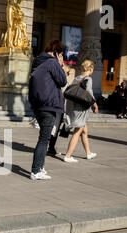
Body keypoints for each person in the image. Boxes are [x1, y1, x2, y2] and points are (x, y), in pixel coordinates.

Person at [28, 40, 67, 180]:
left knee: (44, 137)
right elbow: (63, 81)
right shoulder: (52, 62)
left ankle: (40, 166)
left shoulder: (37, 62)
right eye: (61, 54)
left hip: (38, 105)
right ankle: (35, 170)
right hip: (49, 105)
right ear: (56, 53)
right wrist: (60, 65)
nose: (62, 57)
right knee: (44, 139)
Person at [63, 59, 99, 163]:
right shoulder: (88, 79)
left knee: (84, 130)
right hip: (81, 109)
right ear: (91, 69)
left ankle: (88, 153)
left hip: (73, 107)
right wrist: (95, 106)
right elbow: (90, 94)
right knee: (77, 131)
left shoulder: (76, 78)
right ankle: (68, 156)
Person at [47, 64, 75, 156]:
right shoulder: (63, 82)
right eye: (68, 73)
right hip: (58, 108)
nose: (68, 75)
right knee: (55, 128)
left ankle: (50, 147)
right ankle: (50, 148)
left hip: (51, 106)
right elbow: (64, 94)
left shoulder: (52, 80)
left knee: (52, 127)